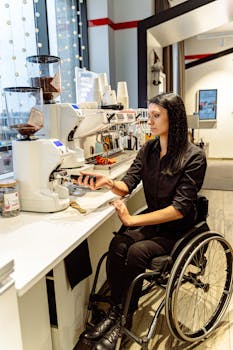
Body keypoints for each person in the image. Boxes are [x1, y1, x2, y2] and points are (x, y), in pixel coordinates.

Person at [76, 92, 207, 350]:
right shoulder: (149, 149)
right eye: (150, 115)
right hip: (153, 224)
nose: (150, 121)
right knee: (118, 245)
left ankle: (124, 319)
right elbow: (129, 183)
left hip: (179, 230)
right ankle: (115, 313)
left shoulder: (194, 157)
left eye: (156, 116)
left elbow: (179, 209)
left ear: (175, 119)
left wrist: (133, 219)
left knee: (137, 251)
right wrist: (108, 183)